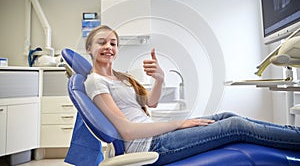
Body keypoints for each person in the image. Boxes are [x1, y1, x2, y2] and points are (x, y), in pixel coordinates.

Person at [84, 25, 300, 165]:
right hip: (150, 145)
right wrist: (179, 123)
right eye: (101, 42)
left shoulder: (120, 78)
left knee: (226, 116)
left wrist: (159, 78)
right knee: (235, 126)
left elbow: (152, 102)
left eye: (113, 43)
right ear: (89, 48)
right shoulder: (95, 81)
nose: (108, 47)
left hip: (155, 137)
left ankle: (294, 133)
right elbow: (128, 131)